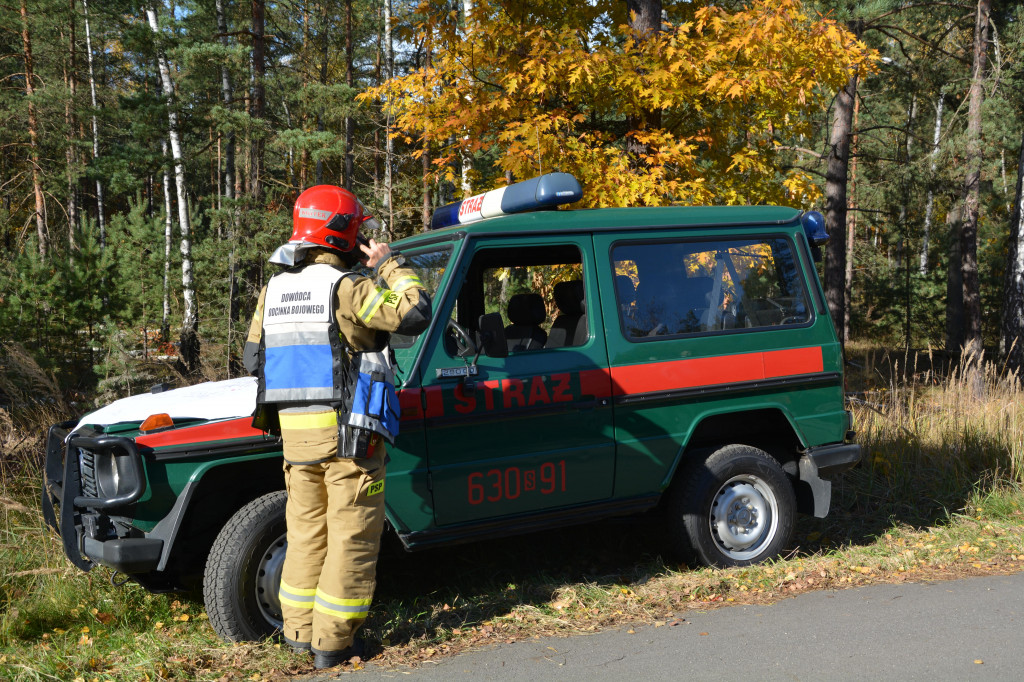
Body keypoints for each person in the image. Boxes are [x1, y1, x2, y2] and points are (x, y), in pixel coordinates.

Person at [243, 185, 430, 669]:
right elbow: (415, 313)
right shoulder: (346, 288)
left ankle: (300, 634)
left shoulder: (273, 291)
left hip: (294, 438)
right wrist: (389, 264)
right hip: (349, 436)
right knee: (352, 536)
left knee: (305, 534)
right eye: (359, 229)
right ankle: (335, 643)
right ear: (344, 234)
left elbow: (251, 358)